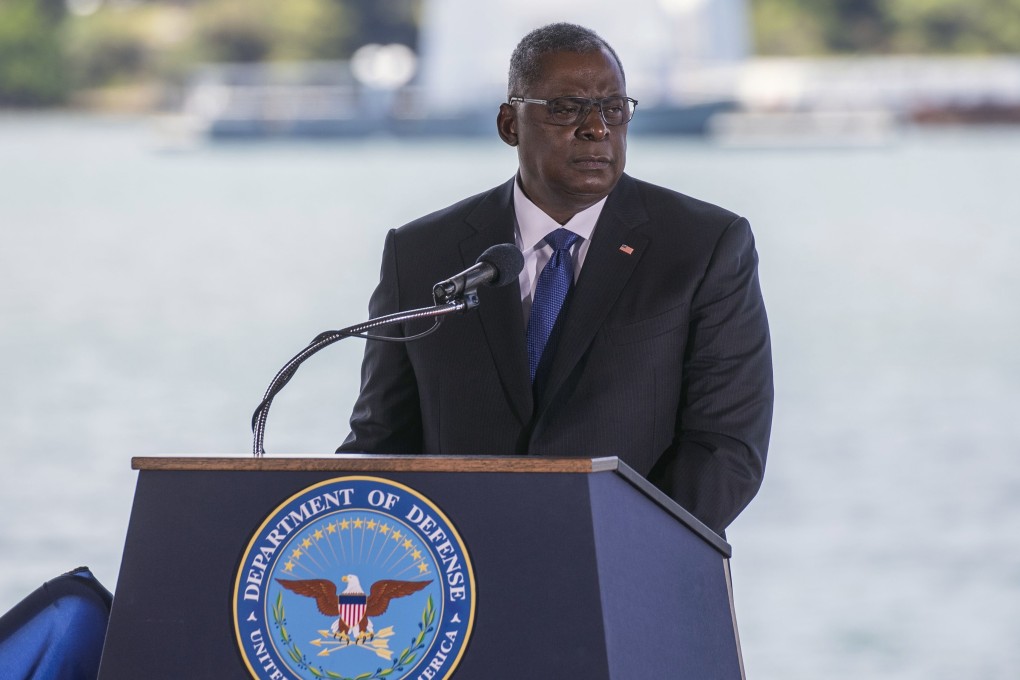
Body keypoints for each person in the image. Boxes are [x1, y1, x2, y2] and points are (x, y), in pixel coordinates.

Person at [339, 22, 773, 536]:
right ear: (509, 124)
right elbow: (382, 441)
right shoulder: (419, 253)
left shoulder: (705, 245)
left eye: (613, 109)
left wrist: (624, 549)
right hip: (465, 582)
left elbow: (726, 446)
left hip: (633, 575)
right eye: (566, 109)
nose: (597, 128)